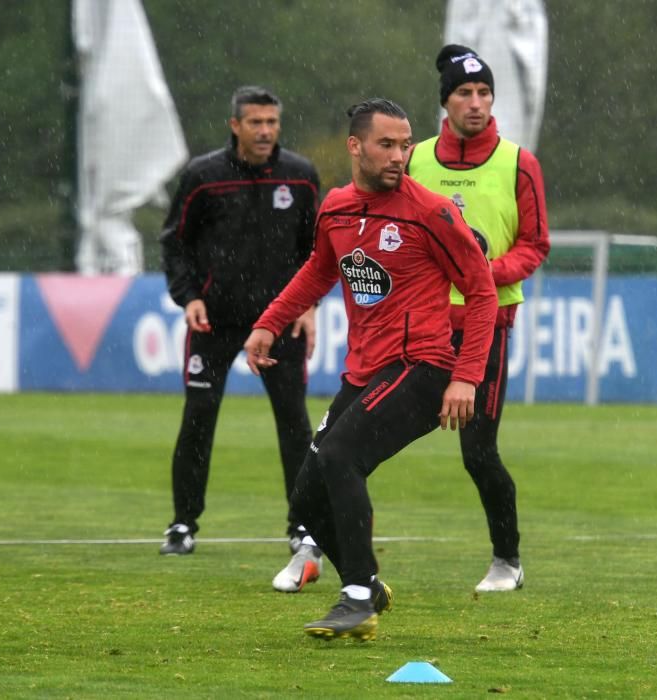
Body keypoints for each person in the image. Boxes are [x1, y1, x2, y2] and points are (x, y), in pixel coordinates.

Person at [244, 98, 497, 641]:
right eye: (387, 144)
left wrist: (467, 374)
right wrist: (270, 322)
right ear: (355, 146)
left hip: (423, 367)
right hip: (364, 372)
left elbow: (481, 291)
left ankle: (357, 595)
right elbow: (317, 272)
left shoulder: (432, 212)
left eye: (406, 145)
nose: (399, 156)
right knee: (307, 498)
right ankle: (371, 584)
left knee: (339, 455)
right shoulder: (335, 208)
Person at [404, 45, 551, 591]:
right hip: (418, 326)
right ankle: (317, 545)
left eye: (484, 93)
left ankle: (506, 561)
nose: (476, 103)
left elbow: (536, 244)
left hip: (487, 328)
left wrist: (485, 273)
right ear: (445, 102)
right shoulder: (414, 159)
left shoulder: (518, 162)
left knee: (478, 451)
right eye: (464, 93)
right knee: (357, 437)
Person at [157, 86, 320, 555]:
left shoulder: (301, 176)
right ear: (235, 126)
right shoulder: (203, 176)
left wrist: (309, 306)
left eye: (271, 122)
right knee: (198, 420)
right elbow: (174, 241)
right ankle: (183, 525)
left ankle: (303, 527)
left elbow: (318, 251)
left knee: (295, 424)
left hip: (281, 323)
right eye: (255, 122)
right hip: (215, 323)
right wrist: (188, 297)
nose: (265, 131)